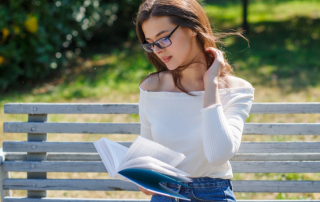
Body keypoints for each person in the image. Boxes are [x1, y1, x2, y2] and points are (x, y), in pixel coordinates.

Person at [135, 0, 255, 201]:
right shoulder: (151, 87)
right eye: (151, 43)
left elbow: (217, 155)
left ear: (192, 28)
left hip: (213, 194)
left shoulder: (236, 90)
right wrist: (143, 176)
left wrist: (211, 84)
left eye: (163, 38)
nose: (158, 50)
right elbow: (147, 155)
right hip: (165, 194)